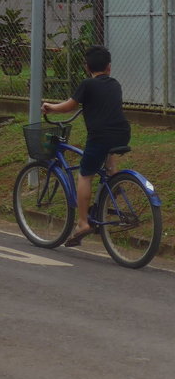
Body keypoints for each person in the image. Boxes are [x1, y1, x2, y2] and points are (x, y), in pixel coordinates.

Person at [41, 44, 131, 247]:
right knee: (108, 147)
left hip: (99, 136)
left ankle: (82, 223)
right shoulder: (115, 84)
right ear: (109, 67)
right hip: (123, 134)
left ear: (87, 67)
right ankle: (113, 175)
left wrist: (51, 108)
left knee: (85, 174)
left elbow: (70, 106)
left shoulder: (87, 85)